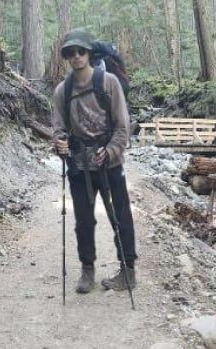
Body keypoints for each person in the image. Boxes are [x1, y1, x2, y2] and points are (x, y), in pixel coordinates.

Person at [51, 29, 137, 294]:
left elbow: (123, 127)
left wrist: (110, 151)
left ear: (89, 53)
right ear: (66, 57)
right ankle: (87, 271)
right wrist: (61, 144)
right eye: (70, 53)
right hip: (79, 166)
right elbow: (58, 129)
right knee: (84, 221)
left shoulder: (108, 83)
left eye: (81, 51)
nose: (76, 57)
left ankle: (128, 272)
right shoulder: (62, 91)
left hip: (110, 165)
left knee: (120, 217)